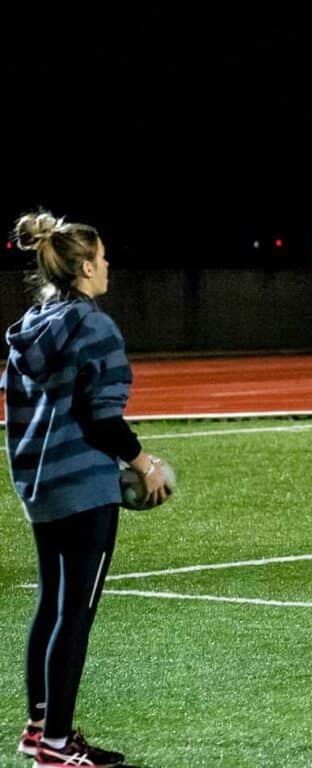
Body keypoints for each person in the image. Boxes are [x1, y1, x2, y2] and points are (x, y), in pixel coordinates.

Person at [5, 212, 170, 768]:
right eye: (101, 258)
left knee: (50, 605)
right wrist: (145, 464)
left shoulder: (33, 322)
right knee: (74, 613)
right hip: (83, 487)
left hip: (39, 483)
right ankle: (54, 745)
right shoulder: (95, 327)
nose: (107, 266)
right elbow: (102, 419)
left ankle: (38, 729)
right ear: (82, 266)